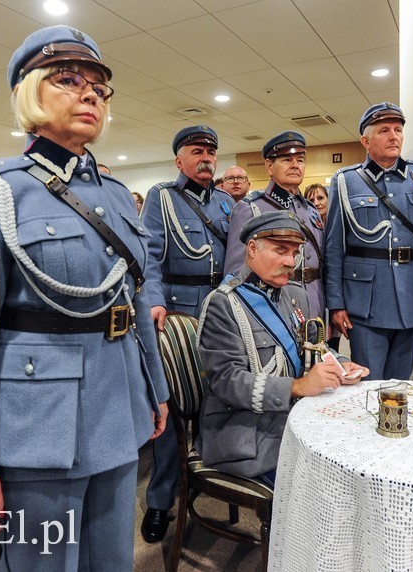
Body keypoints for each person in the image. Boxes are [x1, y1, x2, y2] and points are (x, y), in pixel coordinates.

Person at [0, 25, 169, 569]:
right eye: (68, 79)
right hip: (38, 422)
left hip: (119, 407)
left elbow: (132, 304)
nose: (90, 93)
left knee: (111, 560)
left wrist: (154, 388)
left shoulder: (115, 195)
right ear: (29, 90)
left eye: (98, 86)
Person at [196, 211, 368, 485]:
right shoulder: (223, 304)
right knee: (326, 481)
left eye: (295, 252)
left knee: (357, 449)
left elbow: (313, 345)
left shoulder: (295, 294)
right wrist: (296, 387)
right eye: (280, 251)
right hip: (248, 433)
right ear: (251, 249)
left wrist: (339, 364)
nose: (290, 262)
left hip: (293, 416)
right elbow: (227, 383)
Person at [140, 124, 235, 543]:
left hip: (219, 312)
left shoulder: (229, 203)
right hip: (176, 315)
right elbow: (149, 257)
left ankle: (209, 478)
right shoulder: (162, 197)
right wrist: (155, 299)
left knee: (218, 399)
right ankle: (161, 500)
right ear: (179, 159)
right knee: (173, 409)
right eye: (197, 151)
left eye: (211, 152)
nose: (206, 158)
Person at [325, 103, 413, 380]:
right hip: (365, 301)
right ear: (365, 140)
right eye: (384, 130)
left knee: (400, 384)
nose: (394, 136)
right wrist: (336, 303)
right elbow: (335, 246)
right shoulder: (345, 181)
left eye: (398, 130)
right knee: (368, 382)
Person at [224, 131, 325, 321]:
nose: (295, 165)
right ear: (269, 166)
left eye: (300, 160)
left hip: (315, 306)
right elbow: (236, 272)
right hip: (273, 309)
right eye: (287, 159)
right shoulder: (250, 207)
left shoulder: (310, 210)